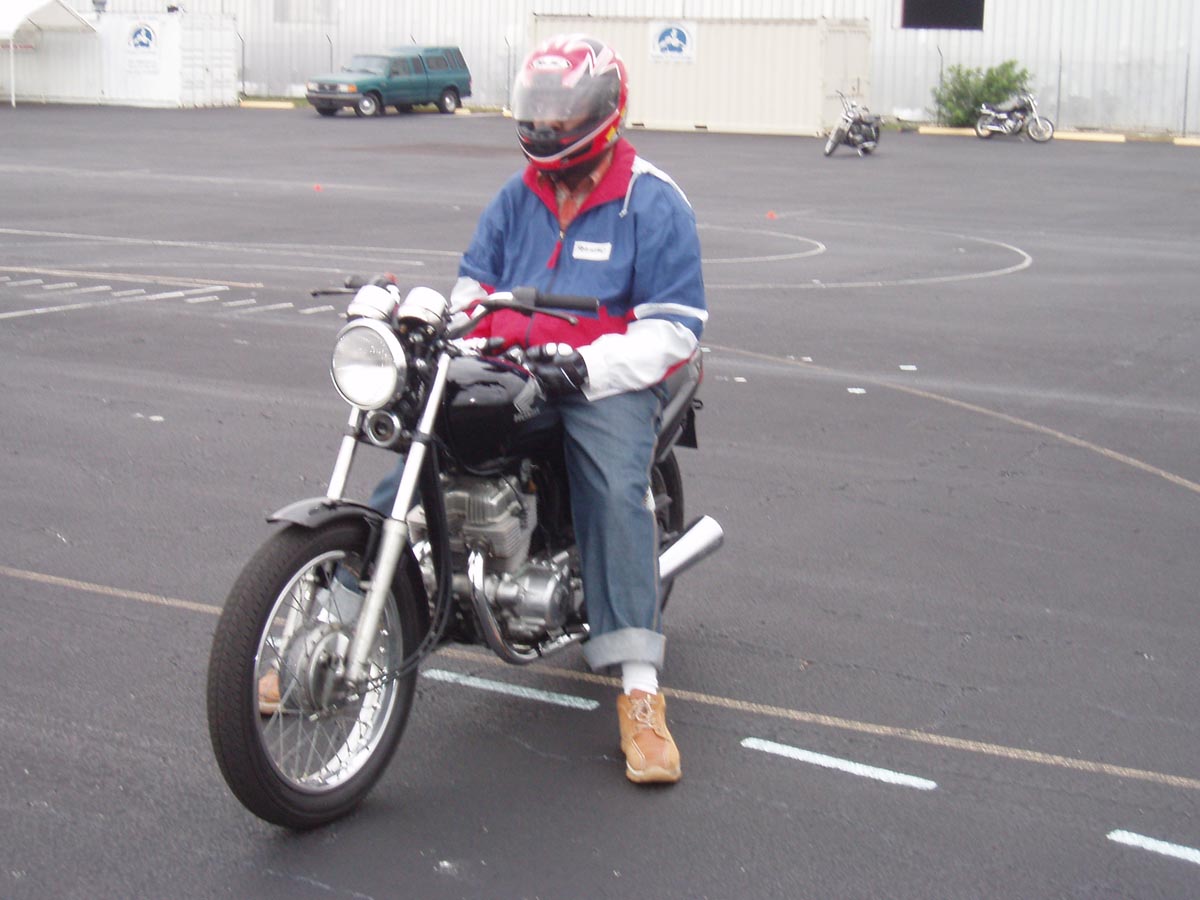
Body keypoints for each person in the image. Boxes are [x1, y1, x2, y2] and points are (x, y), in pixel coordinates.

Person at [263, 33, 707, 784]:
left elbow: (674, 328)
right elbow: (473, 289)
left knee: (612, 492)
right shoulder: (516, 197)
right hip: (510, 366)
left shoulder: (652, 200)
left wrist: (589, 365)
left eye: (562, 112)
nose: (546, 124)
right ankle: (334, 630)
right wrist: (443, 330)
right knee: (408, 468)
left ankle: (639, 692)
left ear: (603, 112)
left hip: (605, 379)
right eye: (538, 110)